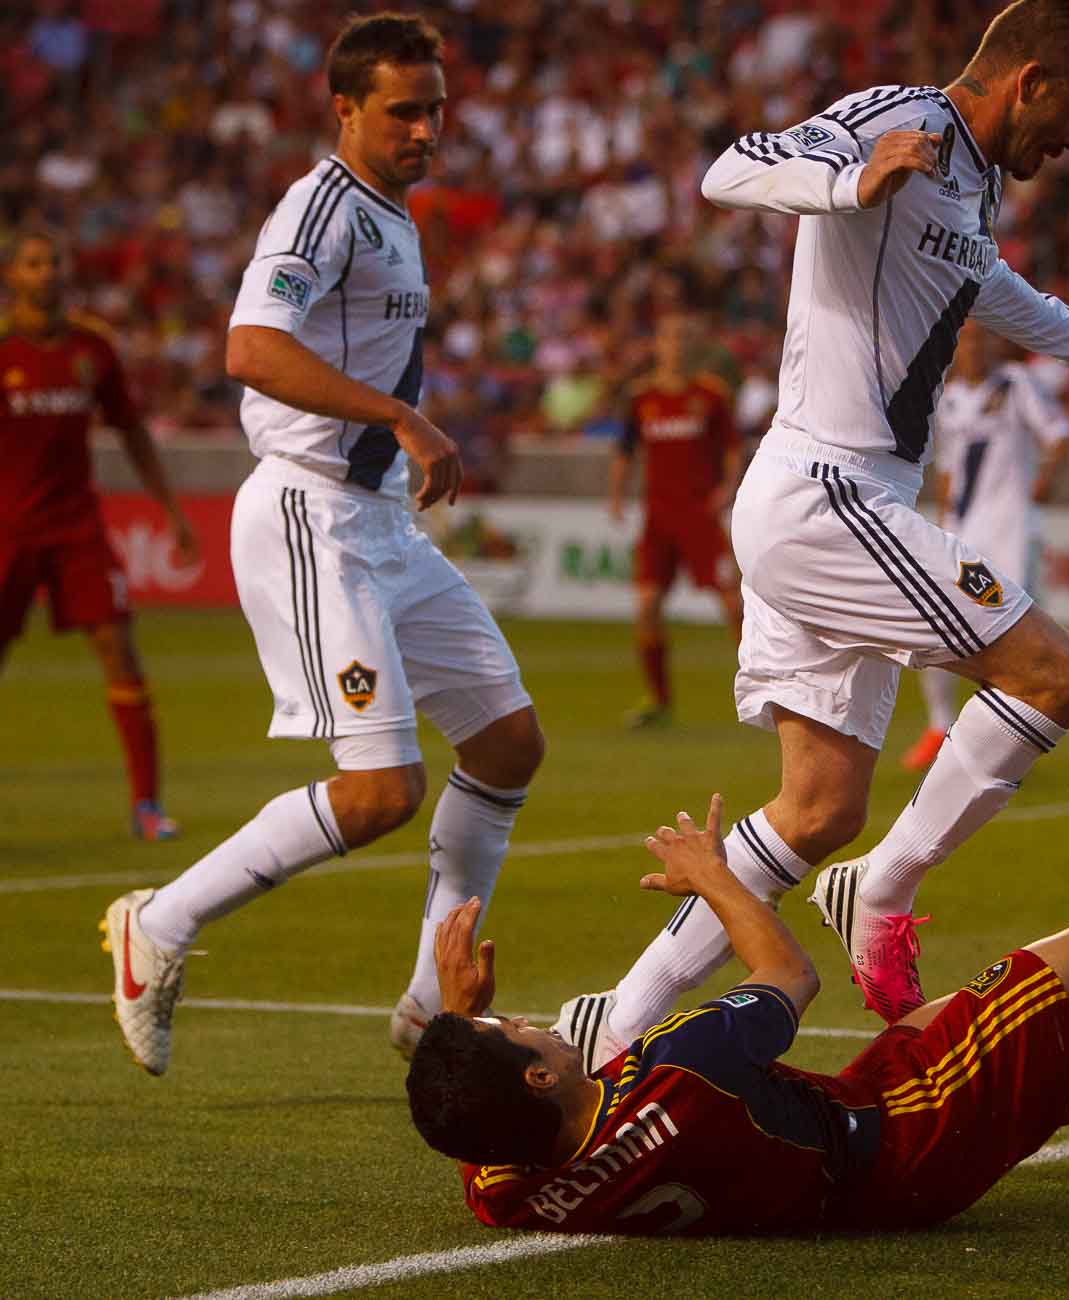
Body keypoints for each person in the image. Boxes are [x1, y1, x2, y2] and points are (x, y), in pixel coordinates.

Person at [577, 0, 1069, 1060]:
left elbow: (981, 284)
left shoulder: (976, 177)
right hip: (829, 493)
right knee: (1053, 674)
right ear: (1029, 80)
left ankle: (607, 1027)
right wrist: (845, 180)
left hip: (842, 502)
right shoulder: (896, 117)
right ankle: (888, 884)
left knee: (815, 809)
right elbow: (732, 167)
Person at [101, 13, 546, 1078]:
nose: (429, 129)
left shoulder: (393, 213)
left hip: (381, 519)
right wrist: (400, 416)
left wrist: (397, 439)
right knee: (380, 790)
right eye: (405, 110)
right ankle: (157, 922)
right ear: (344, 110)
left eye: (437, 108)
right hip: (311, 514)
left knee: (506, 743)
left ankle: (430, 1004)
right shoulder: (322, 207)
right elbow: (251, 347)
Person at [405, 794, 1069, 1240]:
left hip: (845, 1133)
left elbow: (473, 1127)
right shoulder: (680, 1068)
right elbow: (787, 972)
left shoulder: (509, 1188)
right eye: (517, 1032)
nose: (530, 1019)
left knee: (1027, 1016)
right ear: (535, 1076)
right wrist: (712, 875)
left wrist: (461, 1025)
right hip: (902, 1140)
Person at [1, 228, 196, 841]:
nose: (47, 271)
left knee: (121, 652)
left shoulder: (93, 350)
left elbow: (133, 431)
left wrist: (171, 509)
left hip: (76, 529)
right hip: (6, 531)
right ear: (14, 276)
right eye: (34, 262)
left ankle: (146, 807)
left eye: (54, 259)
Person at [900, 320, 1069, 772]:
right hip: (965, 534)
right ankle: (940, 728)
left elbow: (1060, 434)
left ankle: (1000, 745)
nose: (975, 348)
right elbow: (948, 470)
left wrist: (1044, 481)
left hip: (1012, 533)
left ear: (996, 343)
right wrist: (944, 518)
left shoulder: (1016, 385)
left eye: (982, 338)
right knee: (938, 629)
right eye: (967, 340)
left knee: (1010, 639)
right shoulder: (949, 399)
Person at [607, 311, 745, 728]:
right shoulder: (641, 398)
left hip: (700, 515)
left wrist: (728, 487)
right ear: (659, 345)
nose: (677, 345)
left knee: (733, 601)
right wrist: (616, 496)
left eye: (685, 337)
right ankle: (658, 699)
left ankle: (765, 688)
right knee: (647, 606)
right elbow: (625, 450)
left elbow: (732, 447)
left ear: (694, 346)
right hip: (659, 518)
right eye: (670, 337)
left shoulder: (711, 395)